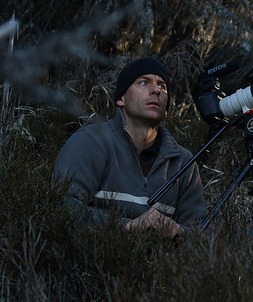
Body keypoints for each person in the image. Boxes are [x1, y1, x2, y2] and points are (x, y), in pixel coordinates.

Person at [55, 57, 208, 238]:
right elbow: (62, 206)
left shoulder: (183, 162)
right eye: (143, 82)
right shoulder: (91, 142)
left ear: (166, 109)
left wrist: (178, 233)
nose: (156, 90)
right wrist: (127, 227)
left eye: (162, 86)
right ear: (121, 99)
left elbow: (202, 233)